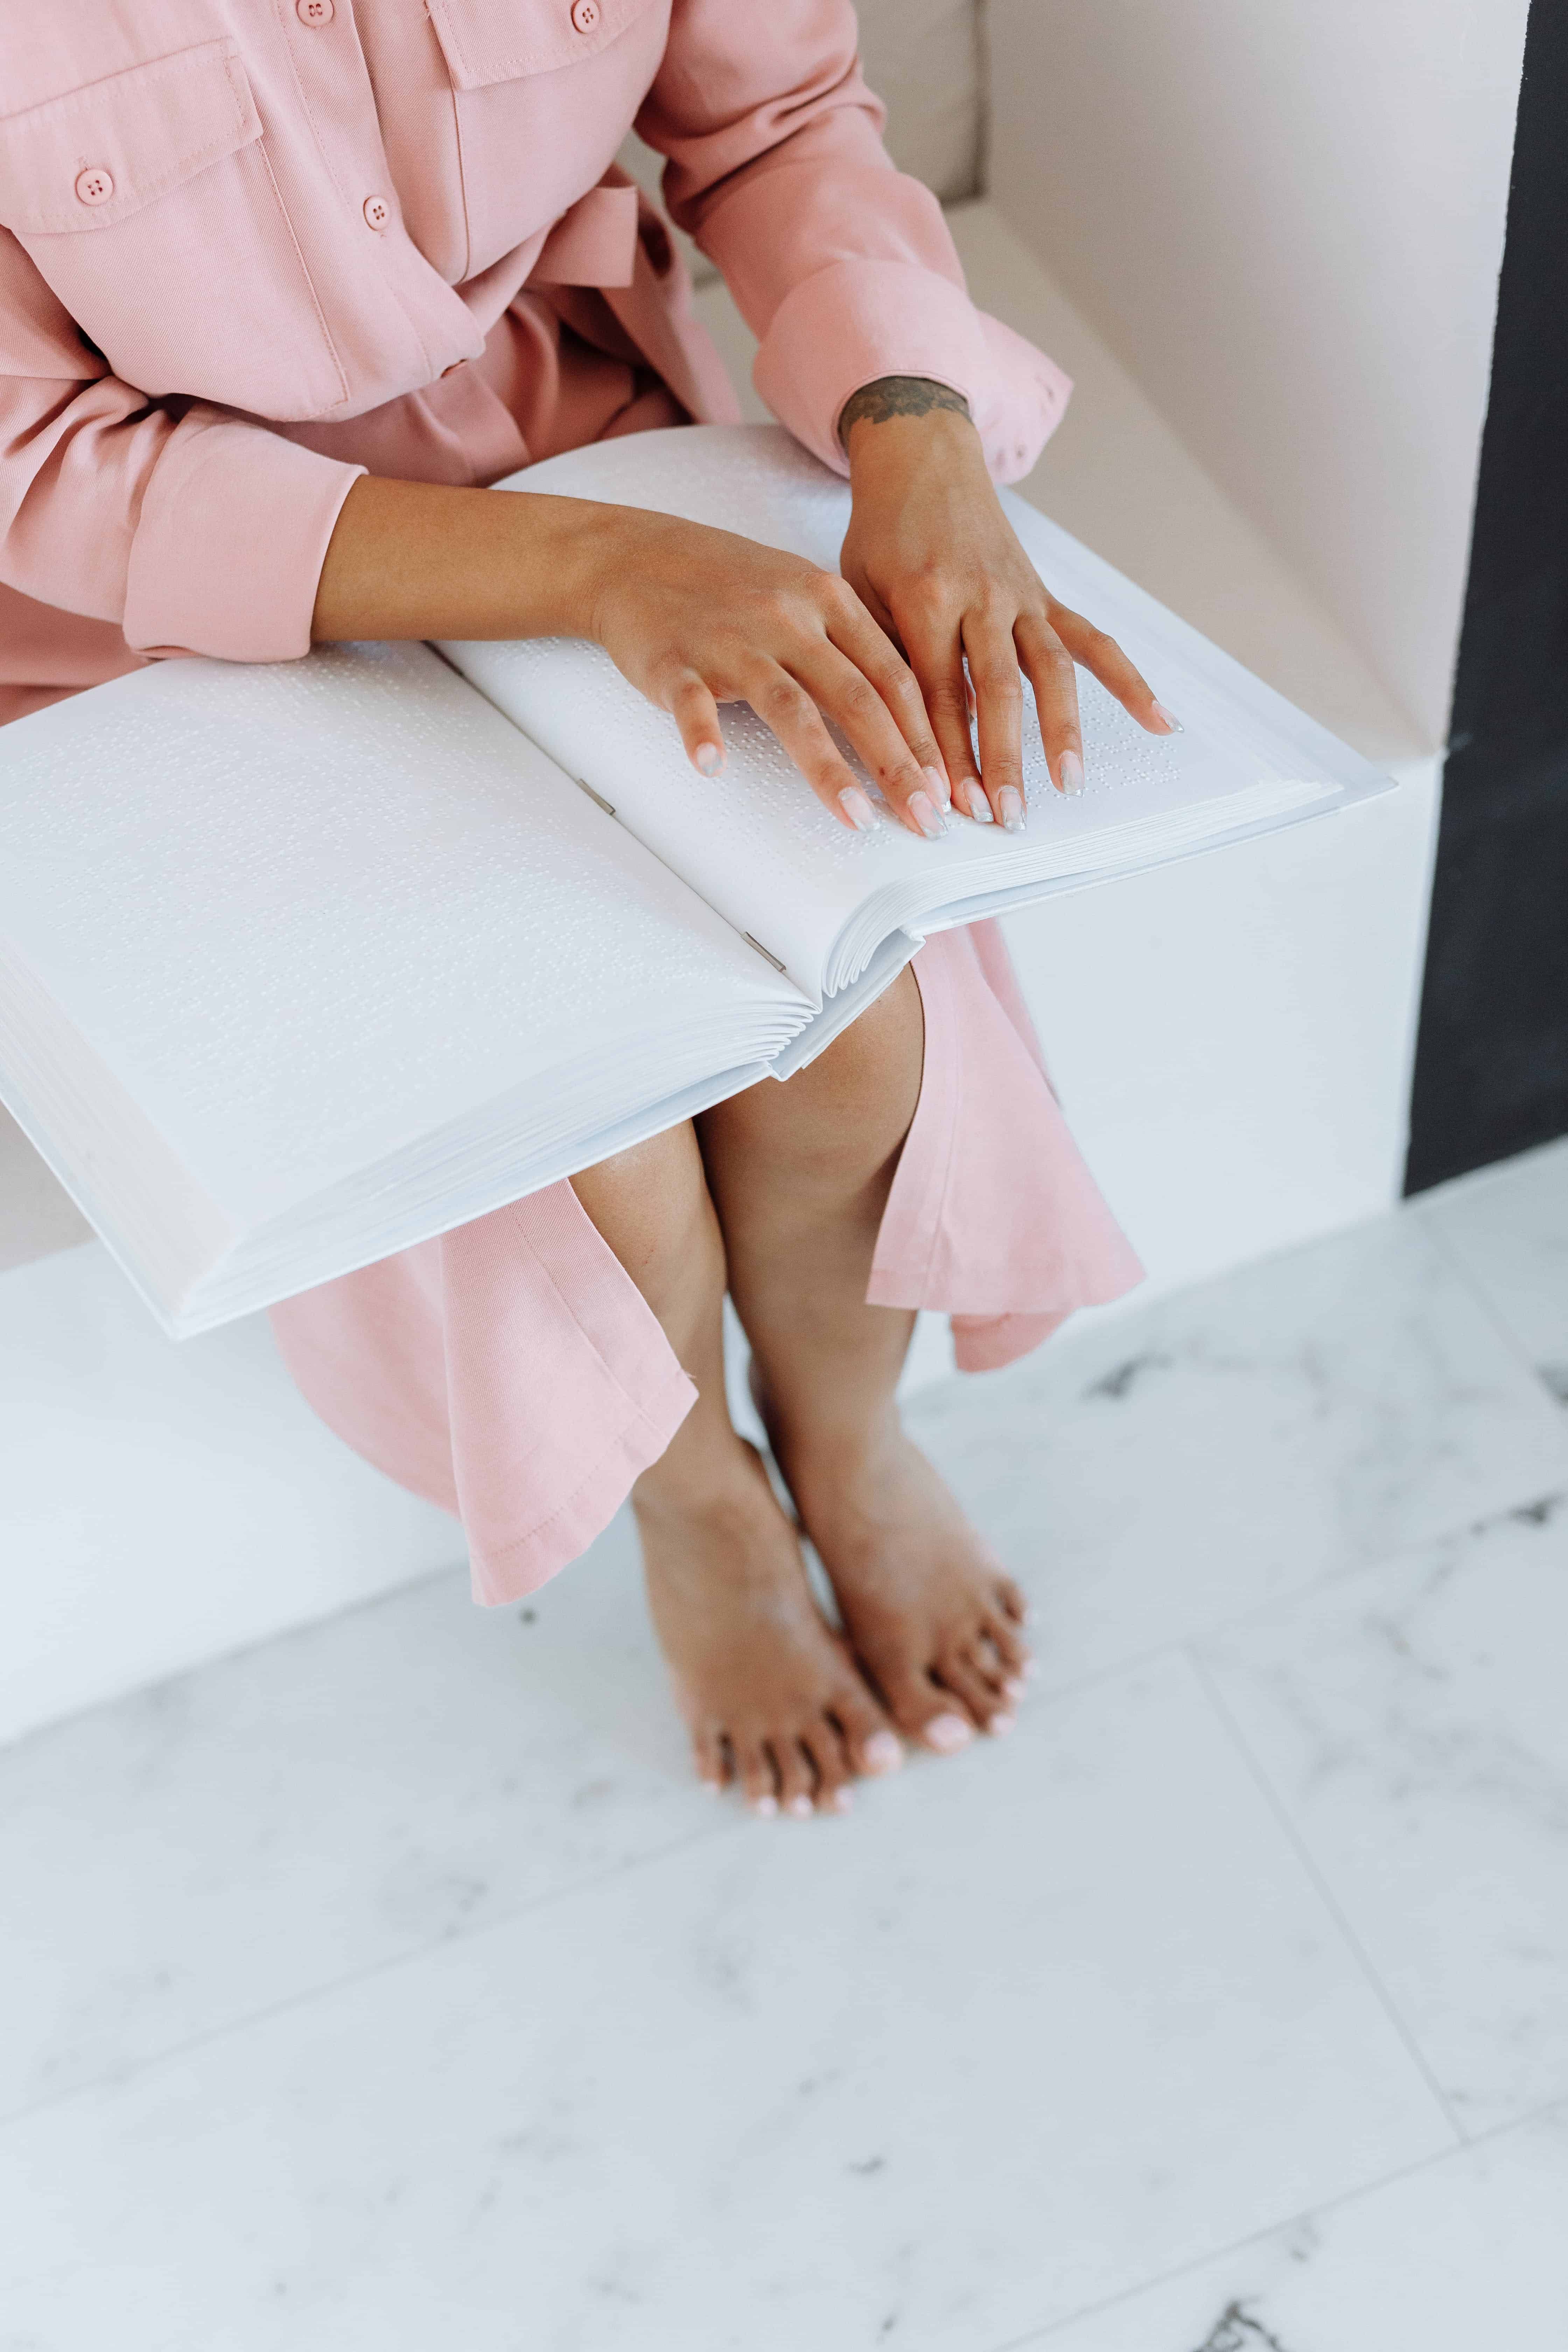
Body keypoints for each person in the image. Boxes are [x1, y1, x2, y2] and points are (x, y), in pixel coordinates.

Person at [1, 1, 1161, 1815]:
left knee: (857, 1030)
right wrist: (587, 570)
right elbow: (40, 464)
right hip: (163, 612)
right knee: (575, 1134)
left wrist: (913, 422)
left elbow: (772, 119)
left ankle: (847, 1444)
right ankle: (696, 1501)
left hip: (592, 444)